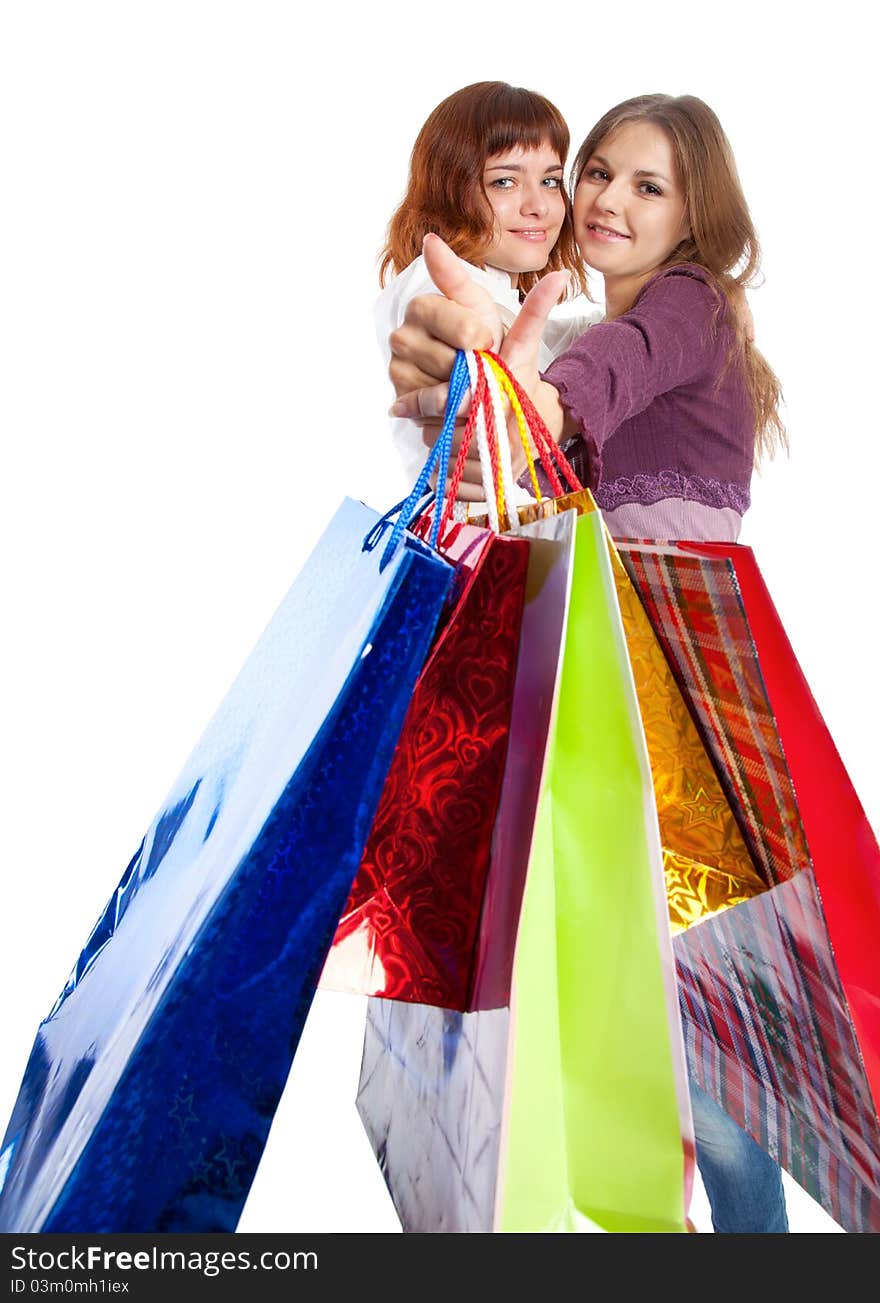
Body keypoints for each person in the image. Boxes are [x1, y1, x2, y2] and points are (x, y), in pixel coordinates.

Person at [384, 92, 789, 1234]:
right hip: (616, 706)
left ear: (695, 213)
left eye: (646, 185)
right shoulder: (573, 324)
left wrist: (543, 401)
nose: (604, 199)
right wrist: (468, 387)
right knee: (657, 1025)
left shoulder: (688, 308)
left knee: (706, 1045)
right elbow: (513, 423)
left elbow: (605, 369)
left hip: (686, 712)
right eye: (596, 172)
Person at [375, 81, 600, 487]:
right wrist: (474, 350)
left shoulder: (499, 291)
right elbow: (450, 324)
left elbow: (556, 341)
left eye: (550, 180)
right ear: (450, 190)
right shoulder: (437, 280)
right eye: (504, 182)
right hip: (476, 541)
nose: (539, 206)